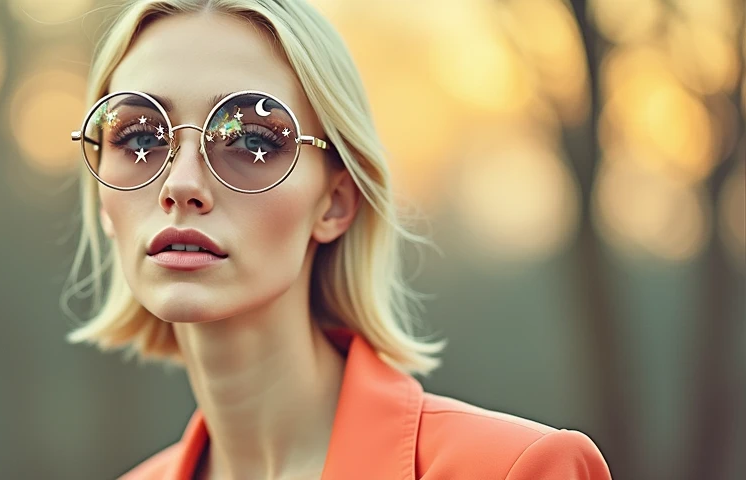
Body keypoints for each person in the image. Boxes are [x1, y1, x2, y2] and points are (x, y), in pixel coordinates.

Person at [63, 0, 612, 478]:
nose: (180, 184)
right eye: (138, 136)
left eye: (249, 138)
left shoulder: (515, 471)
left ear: (335, 202)